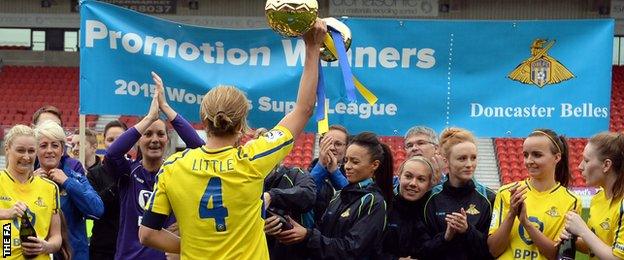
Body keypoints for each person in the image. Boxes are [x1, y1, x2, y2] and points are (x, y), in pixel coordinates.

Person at [138, 20, 327, 259]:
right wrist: (311, 48)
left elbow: (147, 234)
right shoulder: (252, 159)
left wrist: (196, 248)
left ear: (203, 123)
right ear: (240, 126)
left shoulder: (173, 167)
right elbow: (304, 109)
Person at [104, 73, 204, 260]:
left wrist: (166, 108)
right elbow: (111, 154)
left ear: (167, 139)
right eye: (148, 134)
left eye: (160, 134)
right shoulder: (128, 172)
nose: (155, 140)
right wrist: (149, 118)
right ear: (138, 140)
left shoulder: (176, 171)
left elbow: (200, 149)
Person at [275, 132, 394, 259]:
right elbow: (323, 233)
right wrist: (291, 228)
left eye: (355, 162)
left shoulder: (373, 202)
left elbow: (352, 250)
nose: (348, 166)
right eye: (346, 160)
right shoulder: (339, 195)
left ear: (374, 165)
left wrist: (308, 235)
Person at [488, 128, 581, 260]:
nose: (529, 161)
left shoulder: (571, 201)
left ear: (557, 157)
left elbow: (557, 255)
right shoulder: (507, 192)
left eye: (537, 155)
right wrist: (511, 215)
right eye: (526, 155)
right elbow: (493, 250)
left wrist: (526, 223)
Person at [34, 120, 104, 260]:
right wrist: (31, 184)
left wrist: (68, 183)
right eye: (43, 145)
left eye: (55, 145)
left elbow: (97, 209)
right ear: (36, 150)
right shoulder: (27, 178)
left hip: (73, 255)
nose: (49, 150)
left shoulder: (74, 176)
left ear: (62, 149)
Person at [423, 127, 495, 259]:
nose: (469, 164)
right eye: (462, 158)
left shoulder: (489, 198)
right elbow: (422, 250)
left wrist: (468, 230)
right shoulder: (429, 198)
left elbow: (492, 250)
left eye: (473, 158)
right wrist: (445, 237)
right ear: (446, 161)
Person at [0, 125, 62, 259]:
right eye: (20, 150)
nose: (26, 157)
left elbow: (56, 237)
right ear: (7, 149)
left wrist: (46, 246)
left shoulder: (50, 187)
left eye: (31, 151)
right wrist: (7, 213)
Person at [560, 131, 624, 259]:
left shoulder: (622, 205)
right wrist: (572, 238)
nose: (580, 166)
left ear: (606, 165)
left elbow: (617, 257)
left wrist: (582, 230)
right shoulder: (598, 198)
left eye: (586, 160)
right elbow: (594, 246)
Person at [381, 156, 438, 259]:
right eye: (408, 176)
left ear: (429, 184)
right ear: (399, 176)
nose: (413, 183)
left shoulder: (432, 209)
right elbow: (369, 248)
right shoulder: (383, 205)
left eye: (421, 179)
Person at [86, 120, 127, 260]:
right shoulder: (93, 174)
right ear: (104, 142)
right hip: (103, 249)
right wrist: (118, 184)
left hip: (130, 247)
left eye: (120, 139)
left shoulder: (136, 171)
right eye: (110, 139)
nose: (115, 143)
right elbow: (95, 207)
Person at [263, 165, 316, 259]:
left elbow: (308, 194)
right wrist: (259, 228)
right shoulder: (246, 182)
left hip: (294, 252)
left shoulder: (295, 173)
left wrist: (272, 196)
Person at [308, 125, 349, 221]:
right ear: (320, 144)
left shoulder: (352, 174)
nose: (332, 148)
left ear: (346, 148)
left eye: (338, 144)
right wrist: (321, 165)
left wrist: (334, 172)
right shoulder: (306, 173)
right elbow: (306, 194)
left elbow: (352, 198)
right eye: (328, 143)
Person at [32, 105, 86, 177]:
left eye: (56, 126)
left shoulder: (74, 166)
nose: (51, 129)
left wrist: (67, 182)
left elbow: (85, 188)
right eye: (45, 125)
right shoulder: (24, 165)